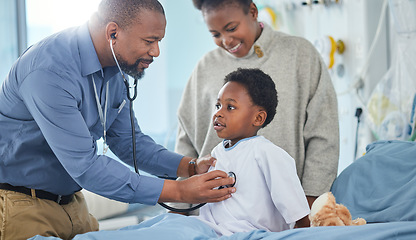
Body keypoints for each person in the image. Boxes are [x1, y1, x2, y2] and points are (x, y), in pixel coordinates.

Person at [0, 0, 235, 239]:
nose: (156, 52)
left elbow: (129, 143)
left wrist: (190, 167)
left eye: (158, 41)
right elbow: (87, 167)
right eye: (149, 41)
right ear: (113, 32)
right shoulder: (49, 72)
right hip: (23, 205)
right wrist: (180, 191)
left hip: (73, 203)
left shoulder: (115, 67)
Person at [174, 0, 339, 212]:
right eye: (215, 34)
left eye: (231, 28)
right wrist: (177, 208)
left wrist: (307, 208)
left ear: (253, 11)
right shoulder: (205, 68)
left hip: (284, 215)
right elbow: (185, 144)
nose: (226, 40)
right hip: (212, 215)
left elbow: (324, 137)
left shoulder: (300, 55)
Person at [194, 68, 310, 236]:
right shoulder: (217, 152)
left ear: (258, 118)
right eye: (218, 105)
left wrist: (308, 232)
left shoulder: (266, 153)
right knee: (170, 226)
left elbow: (294, 205)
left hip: (250, 233)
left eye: (230, 107)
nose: (218, 113)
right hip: (211, 230)